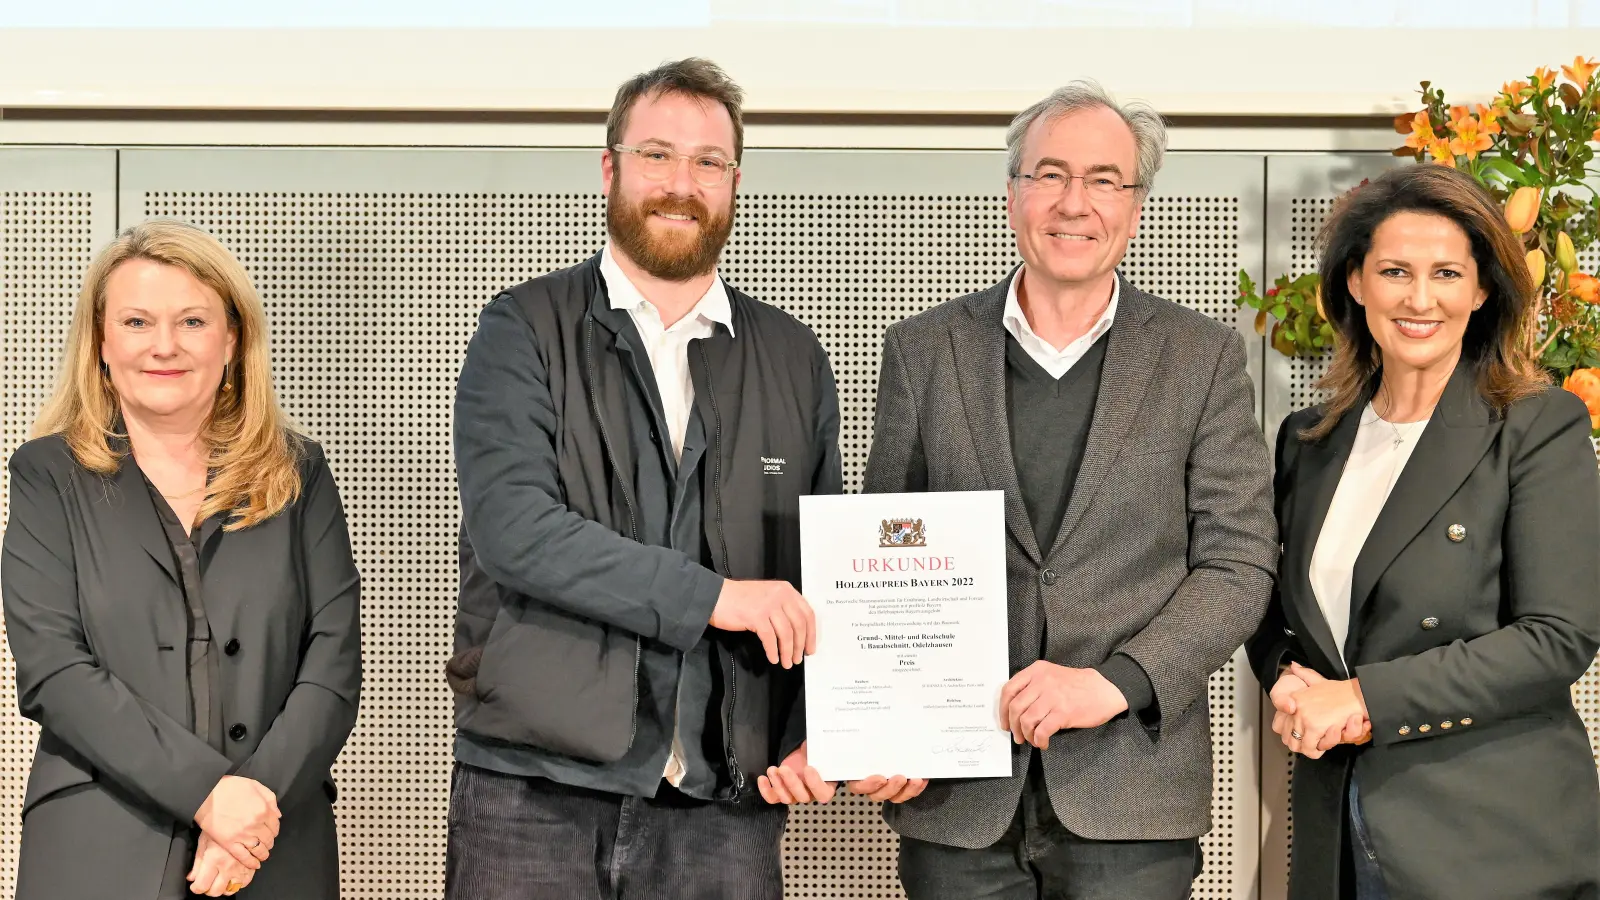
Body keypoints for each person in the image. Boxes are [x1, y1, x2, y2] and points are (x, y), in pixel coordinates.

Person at [445, 58, 879, 900]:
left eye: (707, 163)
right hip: (534, 792)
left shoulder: (792, 357)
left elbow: (826, 570)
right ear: (610, 167)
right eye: (657, 155)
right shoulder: (522, 329)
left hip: (725, 801)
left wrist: (821, 731)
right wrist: (719, 597)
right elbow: (517, 532)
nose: (681, 183)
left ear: (734, 184)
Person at [860, 80, 1277, 899]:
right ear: (1013, 191)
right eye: (1049, 175)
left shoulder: (1204, 360)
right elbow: (884, 549)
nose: (1073, 203)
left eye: (1103, 179)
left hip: (1130, 797)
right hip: (955, 796)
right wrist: (889, 722)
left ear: (1137, 202)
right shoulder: (922, 351)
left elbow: (1239, 564)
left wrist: (1112, 682)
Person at [1247, 164, 1600, 899]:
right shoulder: (1309, 438)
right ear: (1355, 282)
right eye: (1395, 271)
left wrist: (1366, 700)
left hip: (1486, 836)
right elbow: (1275, 607)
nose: (1419, 298)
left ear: (1480, 290)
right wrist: (1286, 676)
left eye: (1445, 273)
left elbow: (1559, 635)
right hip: (1335, 823)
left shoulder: (1536, 426)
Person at [2, 220, 363, 899]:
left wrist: (250, 803)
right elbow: (54, 668)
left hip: (271, 843)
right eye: (137, 321)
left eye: (192, 321)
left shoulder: (299, 472)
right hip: (98, 848)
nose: (163, 345)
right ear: (101, 343)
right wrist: (207, 794)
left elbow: (332, 665)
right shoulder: (47, 475)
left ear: (232, 338)